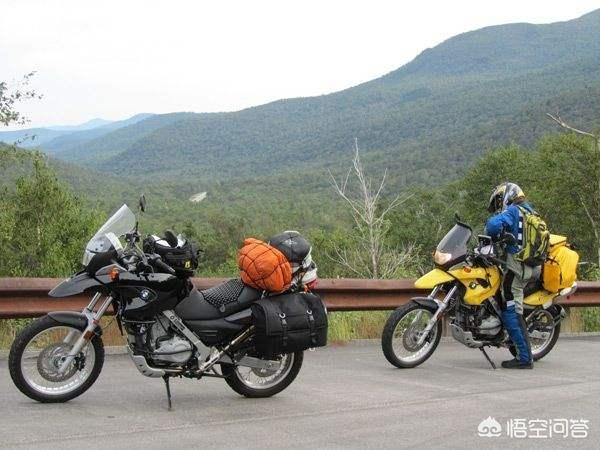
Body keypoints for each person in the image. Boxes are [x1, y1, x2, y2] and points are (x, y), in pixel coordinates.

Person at [485, 182, 535, 369]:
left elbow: (492, 226)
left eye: (499, 201)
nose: (499, 205)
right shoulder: (530, 212)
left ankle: (524, 358)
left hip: (516, 268)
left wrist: (494, 228)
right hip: (525, 266)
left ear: (507, 196)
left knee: (511, 310)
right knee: (509, 304)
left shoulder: (514, 211)